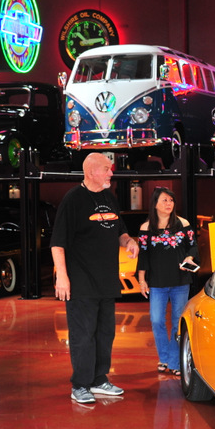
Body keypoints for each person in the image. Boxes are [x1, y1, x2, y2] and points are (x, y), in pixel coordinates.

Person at [51, 153, 139, 404]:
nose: (111, 173)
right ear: (91, 172)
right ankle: (80, 384)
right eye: (106, 169)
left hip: (106, 281)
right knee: (83, 335)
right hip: (81, 282)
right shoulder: (73, 200)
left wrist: (129, 241)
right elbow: (57, 243)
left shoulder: (109, 198)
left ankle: (99, 379)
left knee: (105, 334)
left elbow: (120, 231)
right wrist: (62, 277)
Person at [137, 187, 199, 377]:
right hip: (157, 282)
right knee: (156, 320)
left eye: (171, 200)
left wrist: (189, 258)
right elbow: (143, 257)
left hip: (180, 281)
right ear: (155, 204)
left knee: (177, 322)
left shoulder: (183, 223)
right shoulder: (146, 228)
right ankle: (164, 357)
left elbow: (193, 247)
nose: (169, 204)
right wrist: (141, 280)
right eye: (164, 200)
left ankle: (174, 361)